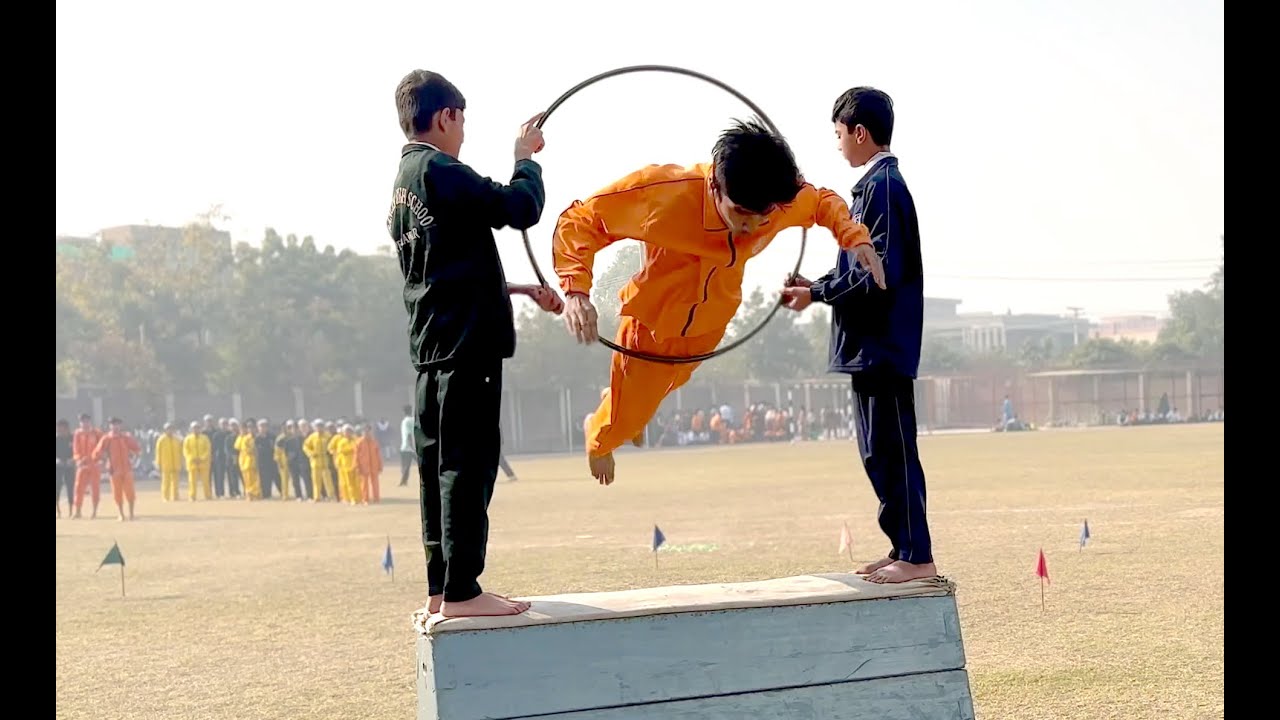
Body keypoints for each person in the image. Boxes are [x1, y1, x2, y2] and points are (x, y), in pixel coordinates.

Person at [555, 118, 885, 485]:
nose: (751, 227)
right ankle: (598, 435)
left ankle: (628, 403)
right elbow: (581, 221)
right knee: (626, 417)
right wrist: (576, 291)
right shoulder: (664, 193)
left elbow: (822, 202)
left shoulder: (775, 201)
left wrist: (855, 237)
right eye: (741, 214)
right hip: (653, 323)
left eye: (763, 217)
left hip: (711, 323)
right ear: (715, 186)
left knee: (665, 387)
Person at [388, 69, 562, 618]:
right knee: (469, 465)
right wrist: (526, 157)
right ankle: (464, 591)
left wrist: (518, 289)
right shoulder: (442, 169)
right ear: (446, 117)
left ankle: (442, 588)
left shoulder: (403, 184)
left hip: (432, 350)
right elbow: (518, 207)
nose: (462, 135)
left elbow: (444, 269)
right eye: (461, 122)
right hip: (468, 347)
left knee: (437, 468)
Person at [781, 87, 936, 584]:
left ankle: (917, 555)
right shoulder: (869, 190)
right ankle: (901, 548)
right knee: (877, 452)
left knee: (893, 449)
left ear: (859, 133)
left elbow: (877, 270)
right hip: (866, 350)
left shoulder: (885, 187)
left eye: (839, 134)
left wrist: (818, 295)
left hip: (883, 347)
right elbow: (855, 259)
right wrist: (817, 286)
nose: (838, 144)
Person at [93, 418, 141, 521]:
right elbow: (96, 453)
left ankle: (131, 514)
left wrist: (134, 460)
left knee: (130, 492)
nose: (115, 426)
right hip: (114, 470)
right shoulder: (106, 439)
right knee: (117, 493)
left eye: (117, 424)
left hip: (127, 469)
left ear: (121, 425)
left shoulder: (126, 437)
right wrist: (102, 459)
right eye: (113, 424)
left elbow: (137, 449)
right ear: (110, 426)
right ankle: (121, 514)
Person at [183, 420, 213, 500]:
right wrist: (192, 458)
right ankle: (192, 496)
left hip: (203, 463)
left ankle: (208, 496)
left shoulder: (205, 438)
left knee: (205, 481)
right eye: (194, 428)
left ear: (200, 429)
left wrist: (202, 458)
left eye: (197, 428)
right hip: (192, 463)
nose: (196, 429)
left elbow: (208, 449)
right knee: (192, 481)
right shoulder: (188, 439)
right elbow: (186, 450)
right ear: (191, 429)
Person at [155, 422, 183, 502]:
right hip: (165, 464)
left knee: (175, 482)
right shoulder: (161, 440)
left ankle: (175, 496)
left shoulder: (177, 440)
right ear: (165, 430)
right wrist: (158, 463)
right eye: (168, 429)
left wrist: (181, 462)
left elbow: (180, 451)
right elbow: (158, 452)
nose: (170, 430)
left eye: (171, 429)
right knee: (166, 482)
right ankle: (165, 497)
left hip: (176, 463)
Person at [56, 420, 75, 517]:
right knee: (57, 488)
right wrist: (56, 460)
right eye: (59, 429)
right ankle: (57, 510)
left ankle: (71, 510)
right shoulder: (56, 438)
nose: (61, 431)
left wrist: (72, 459)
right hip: (58, 467)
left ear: (67, 429)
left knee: (70, 488)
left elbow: (78, 451)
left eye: (63, 429)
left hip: (69, 466)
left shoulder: (73, 438)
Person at [399, 405, 415, 487]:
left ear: (404, 412)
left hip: (406, 447)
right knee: (407, 465)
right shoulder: (413, 420)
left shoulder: (406, 421)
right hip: (411, 446)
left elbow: (408, 434)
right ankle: (404, 481)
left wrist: (411, 446)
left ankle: (403, 481)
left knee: (405, 465)